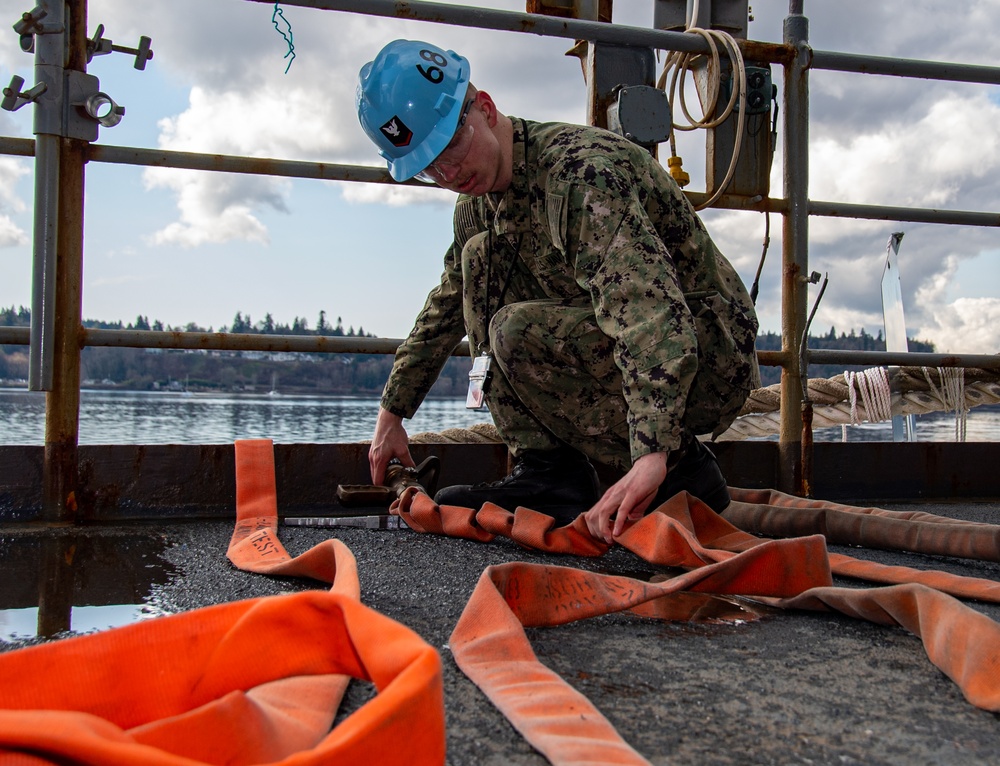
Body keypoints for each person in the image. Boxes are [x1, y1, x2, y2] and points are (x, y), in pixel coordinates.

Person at [356, 39, 760, 544]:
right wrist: (391, 414)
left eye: (450, 148)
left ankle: (685, 469)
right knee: (477, 262)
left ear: (483, 107)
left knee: (513, 327)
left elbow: (647, 310)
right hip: (645, 346)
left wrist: (653, 453)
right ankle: (549, 474)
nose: (449, 174)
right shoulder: (478, 206)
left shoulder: (577, 175)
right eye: (429, 168)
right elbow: (444, 309)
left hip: (706, 358)